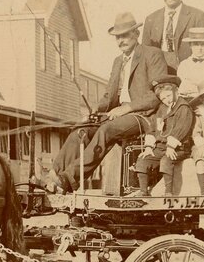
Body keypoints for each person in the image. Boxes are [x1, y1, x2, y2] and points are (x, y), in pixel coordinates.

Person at [48, 11, 168, 193]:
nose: (121, 41)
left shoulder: (152, 55)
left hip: (142, 117)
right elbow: (108, 96)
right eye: (117, 37)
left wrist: (127, 108)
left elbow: (157, 95)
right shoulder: (117, 62)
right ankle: (54, 175)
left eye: (125, 35)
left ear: (136, 34)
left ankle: (69, 178)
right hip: (116, 115)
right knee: (81, 130)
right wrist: (95, 110)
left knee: (106, 130)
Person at [131, 75, 195, 196]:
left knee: (166, 160)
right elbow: (153, 128)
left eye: (169, 96)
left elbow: (181, 129)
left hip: (178, 148)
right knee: (143, 159)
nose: (167, 100)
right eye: (163, 98)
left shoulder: (183, 108)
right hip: (161, 147)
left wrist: (171, 147)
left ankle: (168, 192)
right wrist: (149, 147)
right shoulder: (162, 109)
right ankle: (144, 191)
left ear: (176, 91)